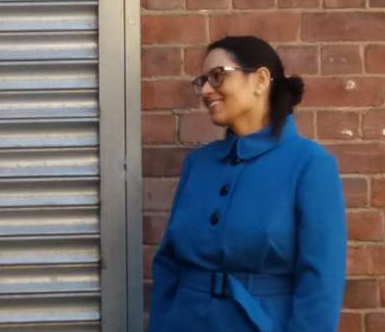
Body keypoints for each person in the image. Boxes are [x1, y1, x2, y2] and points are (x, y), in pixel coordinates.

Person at [148, 36, 346, 332]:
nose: (205, 90)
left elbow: (321, 281)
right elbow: (169, 263)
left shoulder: (309, 164)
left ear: (261, 79)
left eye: (217, 76)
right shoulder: (198, 164)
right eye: (202, 80)